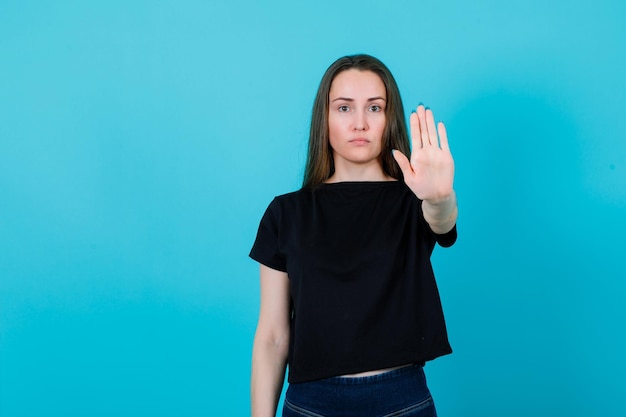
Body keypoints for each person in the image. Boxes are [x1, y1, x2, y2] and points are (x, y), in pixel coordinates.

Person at [249, 54, 458, 417]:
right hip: (312, 404)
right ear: (324, 118)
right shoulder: (286, 213)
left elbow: (441, 223)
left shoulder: (415, 201)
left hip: (401, 400)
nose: (360, 123)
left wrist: (440, 197)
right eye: (344, 108)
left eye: (374, 108)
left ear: (388, 118)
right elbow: (273, 336)